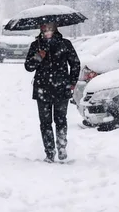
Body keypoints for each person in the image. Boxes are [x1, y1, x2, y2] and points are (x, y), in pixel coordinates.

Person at [24, 22, 81, 163]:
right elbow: (28, 67)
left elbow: (75, 63)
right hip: (42, 89)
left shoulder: (65, 44)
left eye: (50, 27)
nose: (47, 30)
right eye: (44, 28)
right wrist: (38, 56)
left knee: (61, 120)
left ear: (55, 28)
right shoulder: (35, 45)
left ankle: (62, 147)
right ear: (41, 29)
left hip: (61, 88)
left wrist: (72, 82)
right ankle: (49, 152)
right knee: (45, 122)